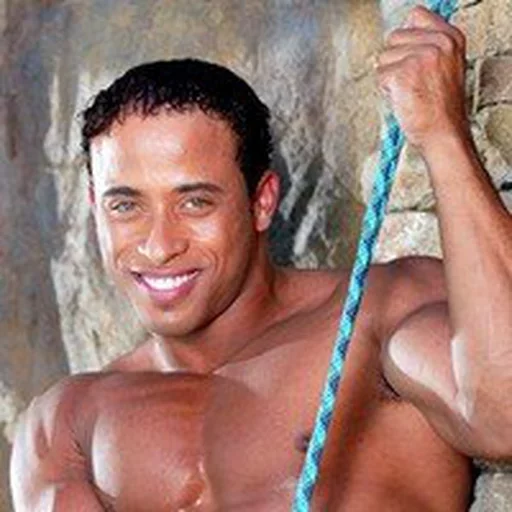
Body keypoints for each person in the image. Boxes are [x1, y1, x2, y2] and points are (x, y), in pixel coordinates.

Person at [10, 6, 512, 511]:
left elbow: (504, 417)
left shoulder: (379, 314)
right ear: (95, 207)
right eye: (126, 206)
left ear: (262, 201)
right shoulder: (67, 427)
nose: (159, 246)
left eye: (195, 202)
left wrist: (441, 135)